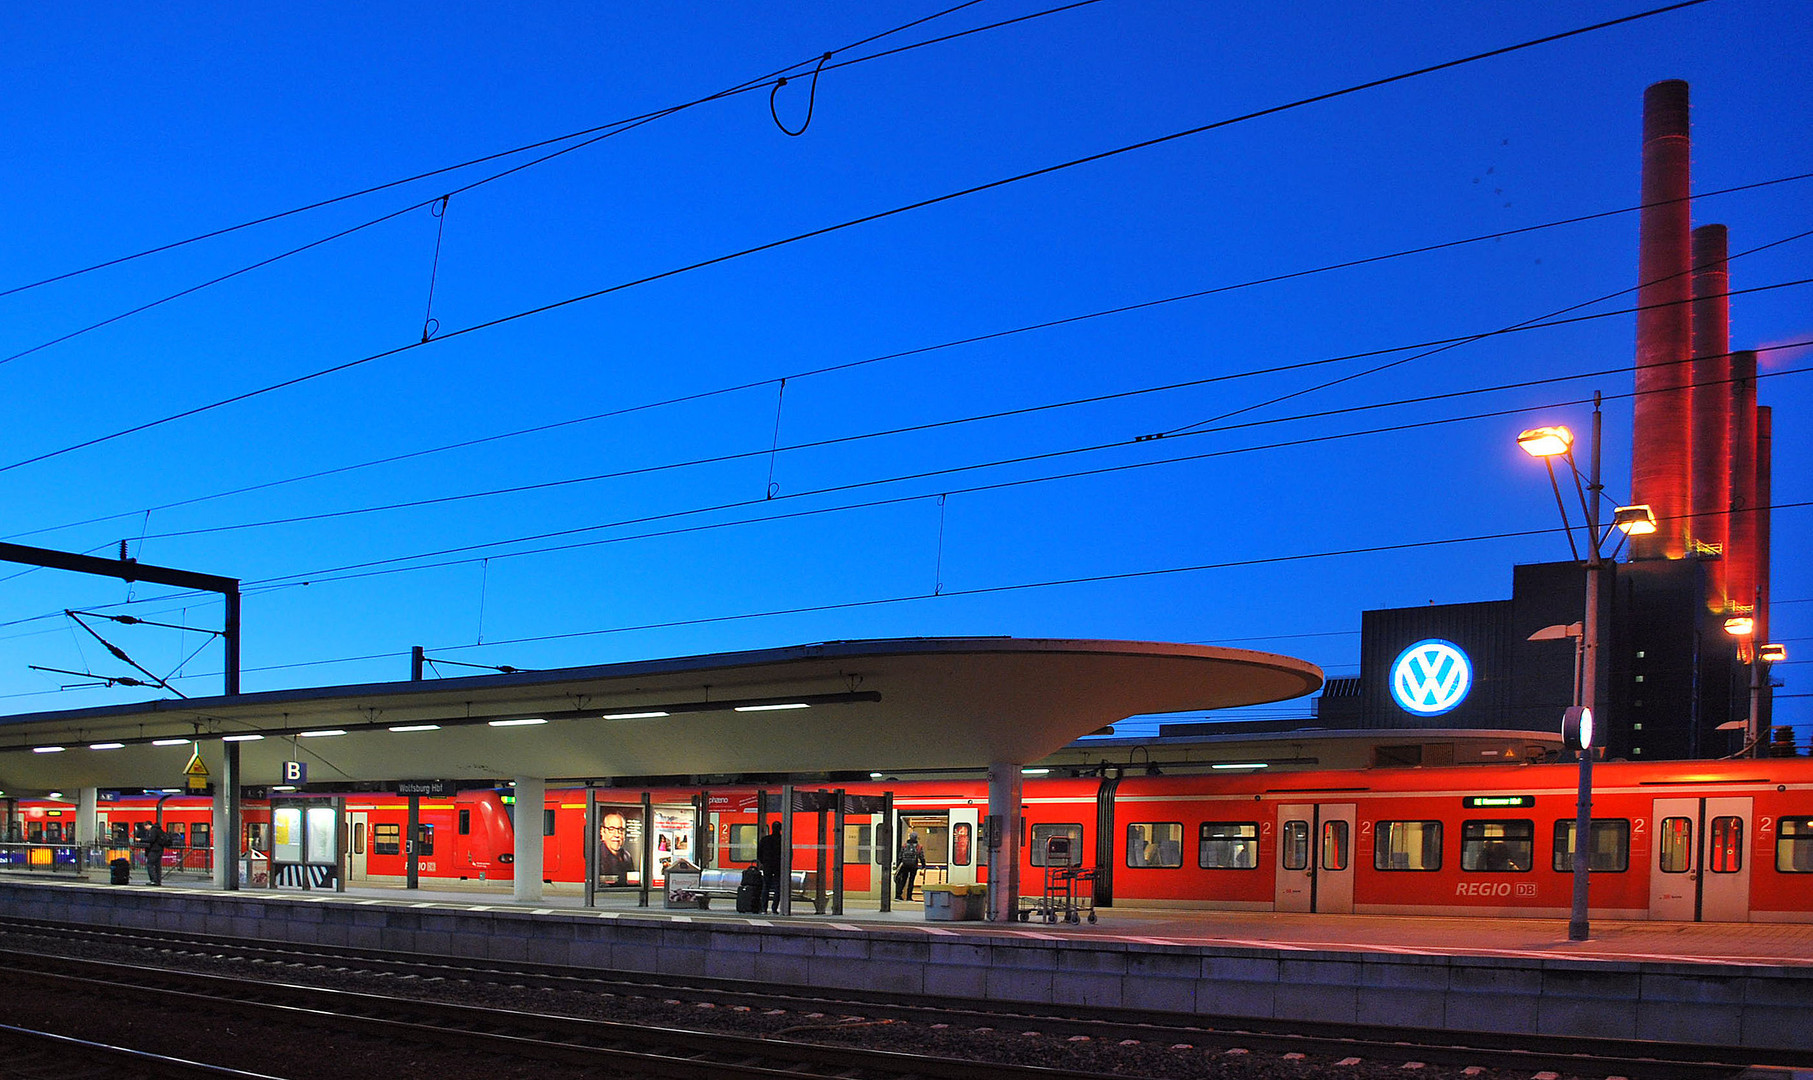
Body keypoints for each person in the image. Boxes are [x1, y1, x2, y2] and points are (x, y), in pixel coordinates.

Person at [598, 812, 636, 885]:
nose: (617, 834)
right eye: (611, 829)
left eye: (621, 829)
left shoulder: (627, 856)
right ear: (602, 831)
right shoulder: (597, 855)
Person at [755, 821, 783, 913]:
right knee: (777, 888)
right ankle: (774, 909)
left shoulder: (765, 839)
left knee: (766, 887)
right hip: (778, 866)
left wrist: (764, 862)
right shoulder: (783, 840)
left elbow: (759, 853)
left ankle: (764, 908)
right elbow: (789, 854)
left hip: (767, 866)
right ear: (780, 829)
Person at [895, 832, 923, 901]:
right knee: (911, 881)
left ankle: (898, 895)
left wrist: (898, 865)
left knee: (903, 880)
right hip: (914, 866)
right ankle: (909, 897)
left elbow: (900, 856)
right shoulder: (919, 846)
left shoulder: (904, 845)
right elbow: (921, 856)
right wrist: (923, 865)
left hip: (905, 865)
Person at [141, 821, 168, 886]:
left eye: (145, 827)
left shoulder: (153, 830)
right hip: (160, 850)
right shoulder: (159, 830)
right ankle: (158, 881)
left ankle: (153, 880)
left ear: (147, 825)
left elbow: (151, 839)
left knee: (150, 864)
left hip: (154, 850)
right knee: (157, 866)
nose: (145, 828)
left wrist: (141, 839)